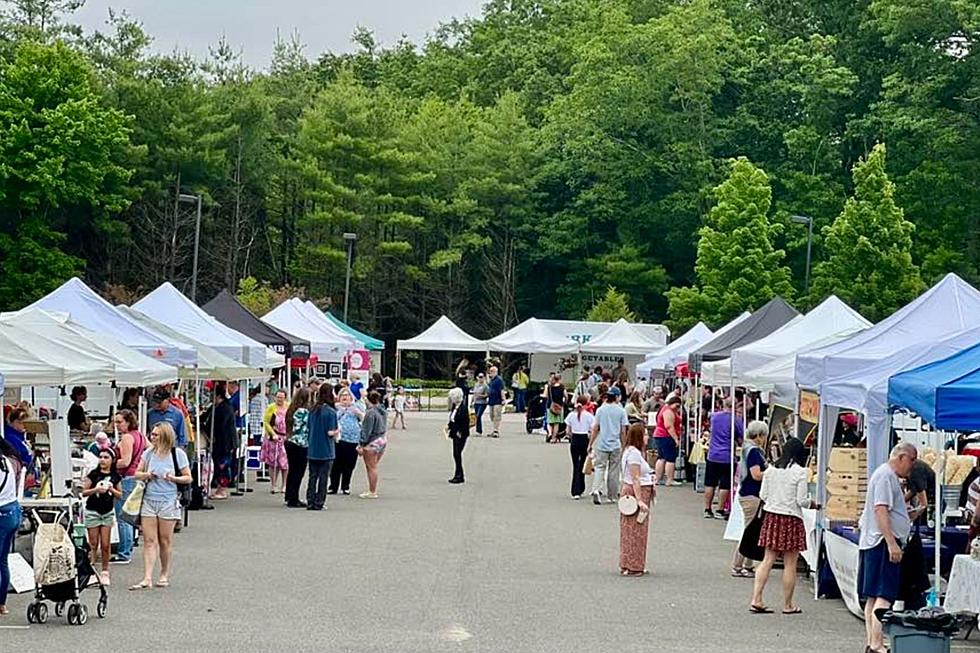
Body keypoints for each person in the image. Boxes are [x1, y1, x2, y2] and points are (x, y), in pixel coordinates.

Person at [858, 442, 916, 653]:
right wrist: (892, 542)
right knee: (884, 595)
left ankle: (872, 641)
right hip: (882, 543)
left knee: (873, 595)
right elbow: (880, 510)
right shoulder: (885, 476)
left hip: (875, 541)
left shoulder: (884, 475)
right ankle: (876, 643)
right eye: (912, 460)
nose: (913, 465)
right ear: (901, 457)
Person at [749, 450, 814, 614]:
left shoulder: (771, 470)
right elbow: (802, 501)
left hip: (772, 517)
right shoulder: (800, 472)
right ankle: (788, 604)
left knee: (767, 560)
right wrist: (813, 504)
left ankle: (756, 598)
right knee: (790, 564)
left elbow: (762, 494)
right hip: (791, 518)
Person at [129, 422, 192, 590]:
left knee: (165, 540)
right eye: (152, 434)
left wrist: (173, 478)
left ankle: (164, 573)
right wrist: (147, 475)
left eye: (156, 434)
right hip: (149, 499)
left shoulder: (177, 454)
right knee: (149, 540)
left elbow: (188, 477)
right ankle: (147, 577)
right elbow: (136, 473)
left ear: (164, 435)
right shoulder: (148, 453)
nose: (152, 437)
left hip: (168, 501)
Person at [732, 420, 767, 579]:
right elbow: (756, 474)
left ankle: (747, 564)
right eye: (764, 435)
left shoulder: (748, 448)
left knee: (752, 531)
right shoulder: (753, 451)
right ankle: (738, 565)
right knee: (749, 532)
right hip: (751, 494)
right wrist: (771, 472)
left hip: (749, 494)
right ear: (759, 435)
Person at [619, 423, 656, 576]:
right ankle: (634, 564)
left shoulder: (631, 452)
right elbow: (635, 477)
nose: (648, 437)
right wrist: (640, 500)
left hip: (636, 489)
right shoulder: (634, 454)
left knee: (630, 529)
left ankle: (628, 562)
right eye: (645, 435)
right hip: (636, 492)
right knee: (636, 530)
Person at [81, 449, 122, 586]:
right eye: (101, 457)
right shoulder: (93, 474)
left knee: (105, 544)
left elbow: (120, 495)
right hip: (93, 511)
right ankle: (91, 570)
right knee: (93, 543)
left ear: (112, 460)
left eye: (106, 457)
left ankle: (105, 570)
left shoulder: (115, 476)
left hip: (107, 512)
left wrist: (111, 489)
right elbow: (84, 492)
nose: (103, 460)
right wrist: (96, 490)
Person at [111, 409, 145, 564]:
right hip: (136, 477)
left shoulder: (126, 437)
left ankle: (124, 552)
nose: (116, 425)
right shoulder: (140, 435)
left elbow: (125, 461)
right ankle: (128, 548)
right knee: (130, 515)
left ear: (128, 422)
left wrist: (108, 463)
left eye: (119, 422)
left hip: (126, 478)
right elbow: (150, 448)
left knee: (122, 517)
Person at [588, 387, 628, 505]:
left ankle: (596, 489)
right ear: (617, 397)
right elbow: (623, 430)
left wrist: (591, 443)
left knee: (600, 467)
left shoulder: (601, 410)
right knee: (614, 470)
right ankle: (612, 495)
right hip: (615, 444)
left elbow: (596, 428)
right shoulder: (621, 411)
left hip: (602, 443)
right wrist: (624, 444)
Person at [705, 398, 743, 519]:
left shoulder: (714, 417)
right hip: (727, 455)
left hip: (712, 454)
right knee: (725, 484)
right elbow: (741, 437)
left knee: (710, 483)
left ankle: (707, 508)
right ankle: (720, 510)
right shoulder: (735, 420)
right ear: (735, 406)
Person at [306, 385, 339, 511]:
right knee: (323, 477)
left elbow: (309, 427)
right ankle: (319, 501)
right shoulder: (331, 412)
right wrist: (338, 431)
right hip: (326, 449)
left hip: (313, 448)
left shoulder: (312, 410)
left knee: (312, 476)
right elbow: (330, 432)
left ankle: (310, 501)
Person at [0, 437, 22, 616]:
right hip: (13, 510)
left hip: (1, 512)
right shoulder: (7, 461)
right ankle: (2, 603)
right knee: (3, 560)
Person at [330, 388, 363, 495]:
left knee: (349, 464)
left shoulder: (356, 407)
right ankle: (333, 486)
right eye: (343, 395)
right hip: (339, 439)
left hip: (353, 439)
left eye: (347, 395)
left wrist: (356, 412)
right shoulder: (335, 408)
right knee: (336, 464)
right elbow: (333, 419)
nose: (345, 397)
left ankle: (345, 486)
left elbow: (363, 418)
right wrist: (341, 410)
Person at [284, 388, 312, 509]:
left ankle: (289, 495)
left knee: (292, 470)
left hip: (290, 441)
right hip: (301, 443)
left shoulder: (292, 409)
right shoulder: (304, 412)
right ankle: (293, 499)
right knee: (298, 472)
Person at [357, 391, 388, 499]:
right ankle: (372, 489)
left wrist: (361, 444)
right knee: (373, 465)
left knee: (371, 467)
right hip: (382, 438)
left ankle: (372, 491)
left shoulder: (370, 413)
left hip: (372, 440)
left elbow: (366, 430)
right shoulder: (382, 410)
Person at [565, 396, 596, 500]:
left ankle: (575, 490)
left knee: (575, 465)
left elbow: (567, 431)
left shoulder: (571, 415)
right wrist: (591, 443)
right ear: (586, 404)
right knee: (583, 464)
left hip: (575, 439)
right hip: (584, 440)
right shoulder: (589, 416)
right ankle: (581, 487)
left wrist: (571, 436)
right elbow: (593, 430)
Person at [261, 389, 289, 494]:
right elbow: (266, 422)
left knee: (285, 463)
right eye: (278, 397)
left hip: (284, 437)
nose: (279, 399)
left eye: (281, 397)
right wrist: (273, 434)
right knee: (273, 462)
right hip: (274, 438)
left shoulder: (288, 407)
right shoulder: (271, 408)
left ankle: (284, 484)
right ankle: (273, 484)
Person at [653, 396, 683, 488]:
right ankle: (669, 479)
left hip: (659, 435)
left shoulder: (664, 409)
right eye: (677, 406)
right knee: (670, 458)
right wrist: (675, 439)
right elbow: (669, 426)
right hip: (666, 436)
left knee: (661, 457)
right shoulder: (668, 412)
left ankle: (658, 479)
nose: (677, 408)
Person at [447, 387, 470, 484]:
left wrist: (460, 431)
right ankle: (458, 474)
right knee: (456, 454)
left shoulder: (463, 408)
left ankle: (459, 475)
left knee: (457, 454)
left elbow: (465, 422)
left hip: (460, 434)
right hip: (454, 432)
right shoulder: (455, 407)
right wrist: (449, 426)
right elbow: (453, 418)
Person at [546, 373, 567, 444]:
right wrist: (565, 402)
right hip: (559, 407)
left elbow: (546, 395)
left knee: (549, 422)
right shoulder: (562, 387)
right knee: (556, 423)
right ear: (560, 379)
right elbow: (566, 396)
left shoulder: (550, 387)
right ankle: (553, 438)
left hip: (550, 406)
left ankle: (549, 433)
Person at [486, 366, 505, 438]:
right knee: (492, 416)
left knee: (496, 415)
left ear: (496, 372)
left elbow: (501, 390)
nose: (490, 373)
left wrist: (503, 399)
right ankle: (494, 429)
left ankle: (496, 430)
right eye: (490, 371)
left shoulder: (499, 380)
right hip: (491, 400)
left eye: (492, 371)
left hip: (498, 400)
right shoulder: (491, 380)